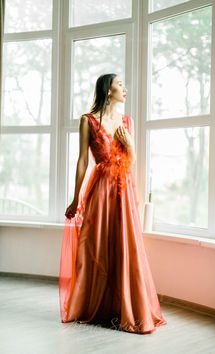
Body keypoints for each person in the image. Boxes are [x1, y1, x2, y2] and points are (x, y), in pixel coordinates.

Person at [58, 73, 167, 334]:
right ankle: (97, 306)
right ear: (108, 90)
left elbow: (131, 158)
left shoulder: (127, 121)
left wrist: (131, 145)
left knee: (125, 244)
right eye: (120, 84)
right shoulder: (88, 121)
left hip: (124, 189)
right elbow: (83, 161)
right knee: (94, 245)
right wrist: (75, 198)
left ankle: (125, 308)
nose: (125, 89)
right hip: (100, 189)